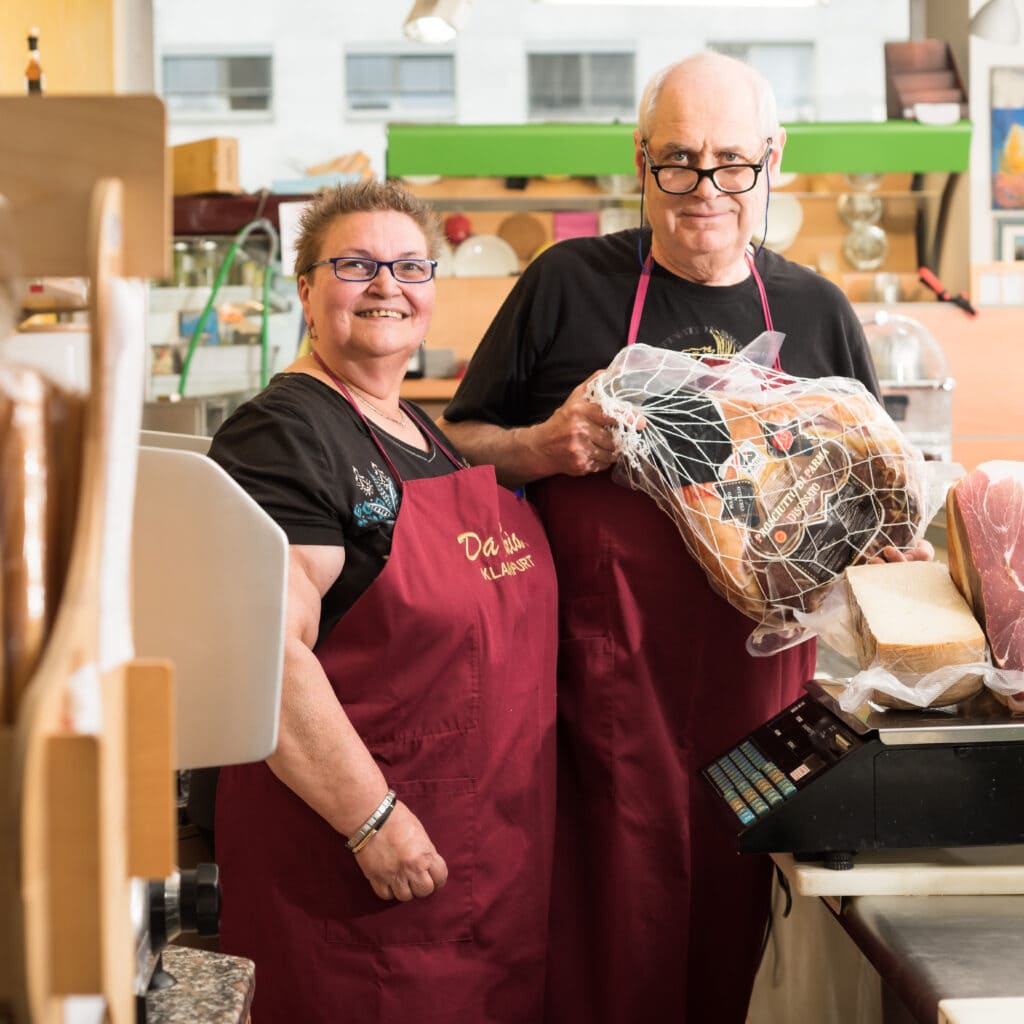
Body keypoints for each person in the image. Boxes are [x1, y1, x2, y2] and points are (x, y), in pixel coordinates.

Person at [440, 52, 931, 1024]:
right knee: (604, 933)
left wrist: (890, 555)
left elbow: (875, 500)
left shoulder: (816, 312)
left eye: (730, 164)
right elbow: (455, 449)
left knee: (741, 925)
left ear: (771, 162)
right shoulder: (565, 285)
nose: (704, 190)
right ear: (640, 161)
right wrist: (541, 444)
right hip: (598, 699)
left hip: (768, 704)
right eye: (678, 162)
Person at [208, 181, 557, 1023]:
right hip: (359, 882)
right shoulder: (282, 434)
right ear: (304, 288)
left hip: (478, 873)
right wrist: (372, 821)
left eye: (408, 265)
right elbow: (266, 646)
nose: (385, 285)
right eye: (356, 264)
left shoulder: (421, 430)